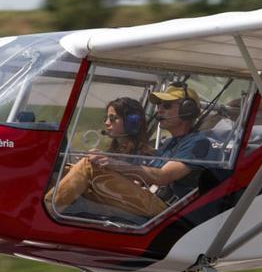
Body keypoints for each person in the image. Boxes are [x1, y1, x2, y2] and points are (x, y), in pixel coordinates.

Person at [46, 84, 216, 219]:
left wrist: (113, 163)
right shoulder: (170, 143)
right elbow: (150, 173)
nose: (159, 110)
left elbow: (163, 176)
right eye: (158, 106)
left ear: (188, 110)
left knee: (88, 166)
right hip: (148, 196)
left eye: (166, 105)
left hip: (165, 208)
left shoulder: (198, 143)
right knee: (64, 170)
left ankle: (45, 211)